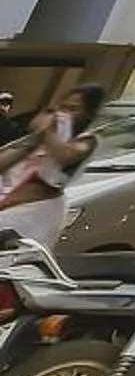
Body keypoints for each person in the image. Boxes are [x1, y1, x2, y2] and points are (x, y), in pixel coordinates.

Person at [0, 86, 105, 253]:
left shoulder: (87, 141)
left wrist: (47, 130)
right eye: (62, 107)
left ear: (88, 114)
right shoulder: (39, 139)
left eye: (73, 109)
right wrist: (35, 138)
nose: (63, 114)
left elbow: (66, 155)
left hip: (35, 211)